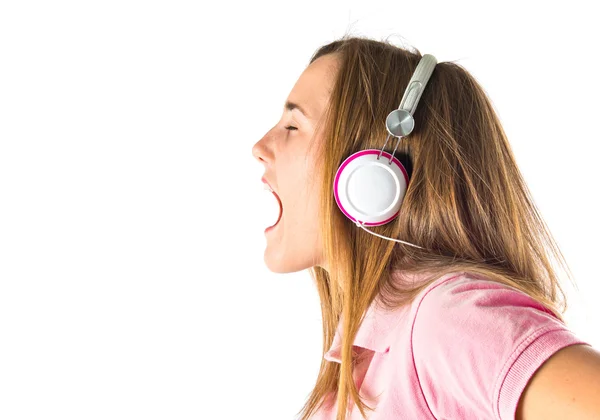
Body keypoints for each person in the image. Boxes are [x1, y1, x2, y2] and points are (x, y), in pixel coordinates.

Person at [251, 35, 600, 420]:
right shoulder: (366, 360)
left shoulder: (446, 319)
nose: (260, 146)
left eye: (294, 126)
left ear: (369, 171)